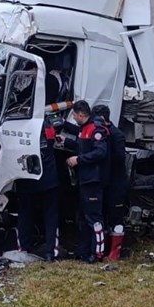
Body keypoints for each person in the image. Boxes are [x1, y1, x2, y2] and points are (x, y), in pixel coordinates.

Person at [67, 100, 109, 263]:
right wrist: (66, 142)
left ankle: (98, 253)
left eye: (74, 116)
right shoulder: (84, 129)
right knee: (84, 218)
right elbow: (81, 145)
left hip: (93, 179)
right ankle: (84, 251)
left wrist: (79, 160)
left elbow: (100, 152)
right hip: (84, 179)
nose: (74, 118)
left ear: (80, 115)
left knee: (94, 218)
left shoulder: (96, 129)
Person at [15, 117, 60, 262]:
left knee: (25, 214)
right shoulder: (47, 126)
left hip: (27, 180)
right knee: (51, 216)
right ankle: (51, 252)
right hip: (49, 180)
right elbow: (53, 139)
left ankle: (23, 248)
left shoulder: (20, 127)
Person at [92, 104, 129, 261]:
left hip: (116, 182)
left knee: (116, 217)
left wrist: (104, 158)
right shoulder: (103, 132)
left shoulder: (116, 134)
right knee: (104, 214)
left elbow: (120, 158)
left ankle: (115, 252)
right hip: (105, 181)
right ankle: (105, 247)